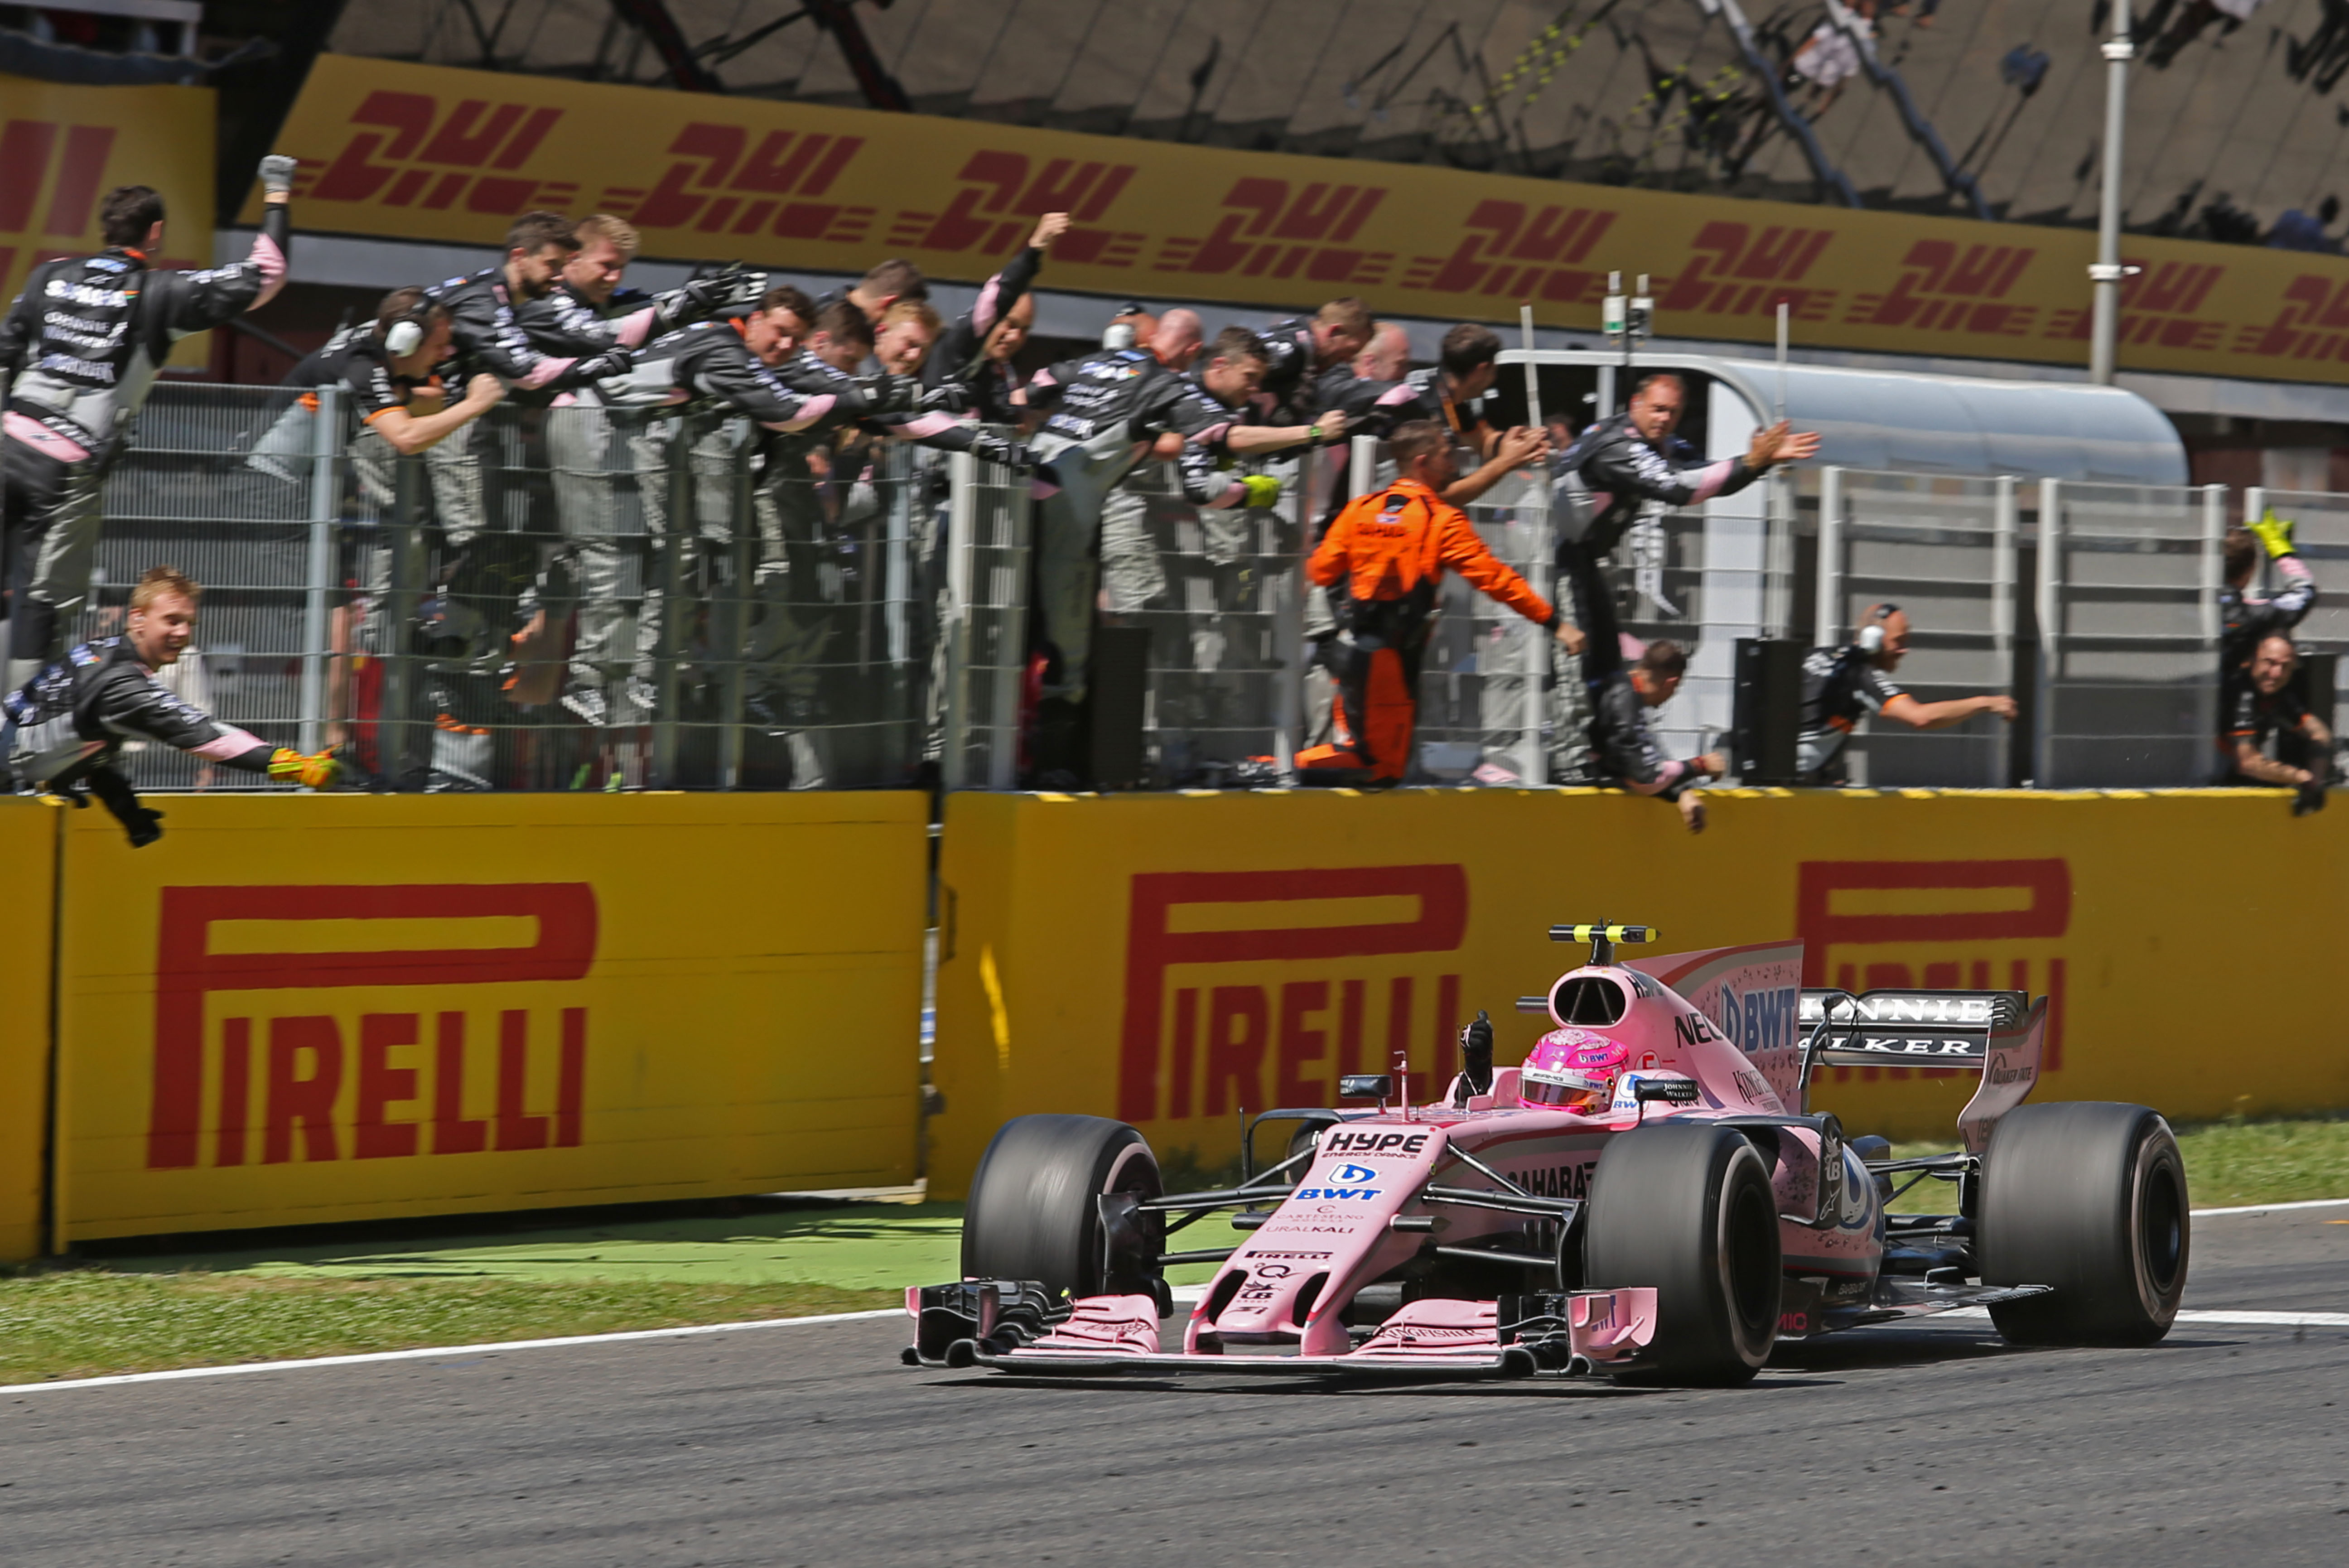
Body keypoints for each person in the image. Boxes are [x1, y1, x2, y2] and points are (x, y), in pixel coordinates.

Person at [1, 158, 296, 690]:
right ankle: (10, 750)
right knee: (41, 608)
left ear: (105, 229)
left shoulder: (50, 274)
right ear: (155, 233)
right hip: (65, 473)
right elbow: (266, 274)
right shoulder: (162, 292)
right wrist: (277, 192)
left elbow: (4, 353)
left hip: (8, 440)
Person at [1021, 321, 1342, 774]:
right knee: (1086, 642)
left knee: (1050, 635)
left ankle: (1068, 760)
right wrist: (1311, 437)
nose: (1253, 393)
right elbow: (1212, 464)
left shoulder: (1101, 366)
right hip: (1080, 528)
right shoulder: (1173, 390)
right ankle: (1081, 765)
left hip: (1035, 502)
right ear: (1212, 361)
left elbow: (1034, 389)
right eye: (1249, 379)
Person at [510, 214, 762, 733]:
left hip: (610, 442)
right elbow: (606, 336)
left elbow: (656, 319)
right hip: (546, 443)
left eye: (620, 268)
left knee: (637, 557)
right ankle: (588, 681)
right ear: (572, 259)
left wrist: (709, 299)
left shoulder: (625, 301)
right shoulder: (548, 302)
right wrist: (684, 306)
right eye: (605, 266)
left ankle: (620, 678)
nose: (612, 277)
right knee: (605, 556)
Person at [1551, 371, 1817, 792]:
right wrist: (1750, 463)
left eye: (1673, 413)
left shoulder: (1654, 442)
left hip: (1588, 561)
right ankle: (1566, 762)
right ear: (1635, 404)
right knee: (1575, 661)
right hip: (1560, 562)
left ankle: (1598, 756)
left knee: (1601, 666)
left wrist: (1755, 464)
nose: (1664, 419)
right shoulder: (1618, 446)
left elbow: (1700, 472)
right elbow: (1679, 487)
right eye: (1657, 409)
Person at [1297, 420, 1580, 786]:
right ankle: (1306, 779)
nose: (1452, 465)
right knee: (1383, 770)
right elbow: (1497, 580)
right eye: (1446, 456)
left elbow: (1320, 570)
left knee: (1369, 758)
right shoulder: (1440, 521)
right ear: (1422, 461)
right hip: (1392, 664)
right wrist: (1557, 624)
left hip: (1352, 656)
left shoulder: (1361, 509)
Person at [3, 566, 342, 847]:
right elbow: (203, 736)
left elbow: (86, 743)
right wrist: (292, 765)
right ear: (137, 619)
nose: (183, 633)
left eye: (189, 623)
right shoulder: (122, 685)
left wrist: (128, 813)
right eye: (172, 620)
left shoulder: (102, 652)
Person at [1795, 602, 2018, 783]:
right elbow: (1920, 717)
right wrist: (1984, 703)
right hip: (1795, 782)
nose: (1905, 650)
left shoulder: (1814, 655)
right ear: (1873, 641)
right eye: (1899, 642)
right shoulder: (1860, 674)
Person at [924, 213, 1069, 426]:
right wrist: (1034, 249)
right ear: (992, 319)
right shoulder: (960, 349)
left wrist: (1019, 417)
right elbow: (999, 296)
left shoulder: (999, 369)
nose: (1015, 337)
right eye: (1010, 324)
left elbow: (995, 413)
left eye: (1025, 330)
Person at [1591, 640, 1724, 833]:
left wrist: (1681, 792)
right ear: (1672, 683)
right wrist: (1700, 766)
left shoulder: (1625, 694)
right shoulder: (1624, 702)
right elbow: (1648, 776)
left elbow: (1644, 764)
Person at [2223, 632, 2333, 814]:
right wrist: (2302, 777)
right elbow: (2248, 763)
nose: (2276, 674)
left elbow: (2320, 734)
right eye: (2270, 663)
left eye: (2286, 667)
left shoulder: (2277, 694)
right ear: (2252, 659)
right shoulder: (2240, 690)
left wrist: (2316, 783)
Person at [2220, 513, 2317, 683]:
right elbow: (2304, 592)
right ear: (2251, 570)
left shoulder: (2177, 599)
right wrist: (2280, 548)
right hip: (2216, 703)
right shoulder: (2248, 615)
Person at [1256, 299, 1374, 423]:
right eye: (1352, 350)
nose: (1348, 360)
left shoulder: (1303, 346)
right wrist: (1316, 432)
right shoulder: (1292, 349)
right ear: (1334, 332)